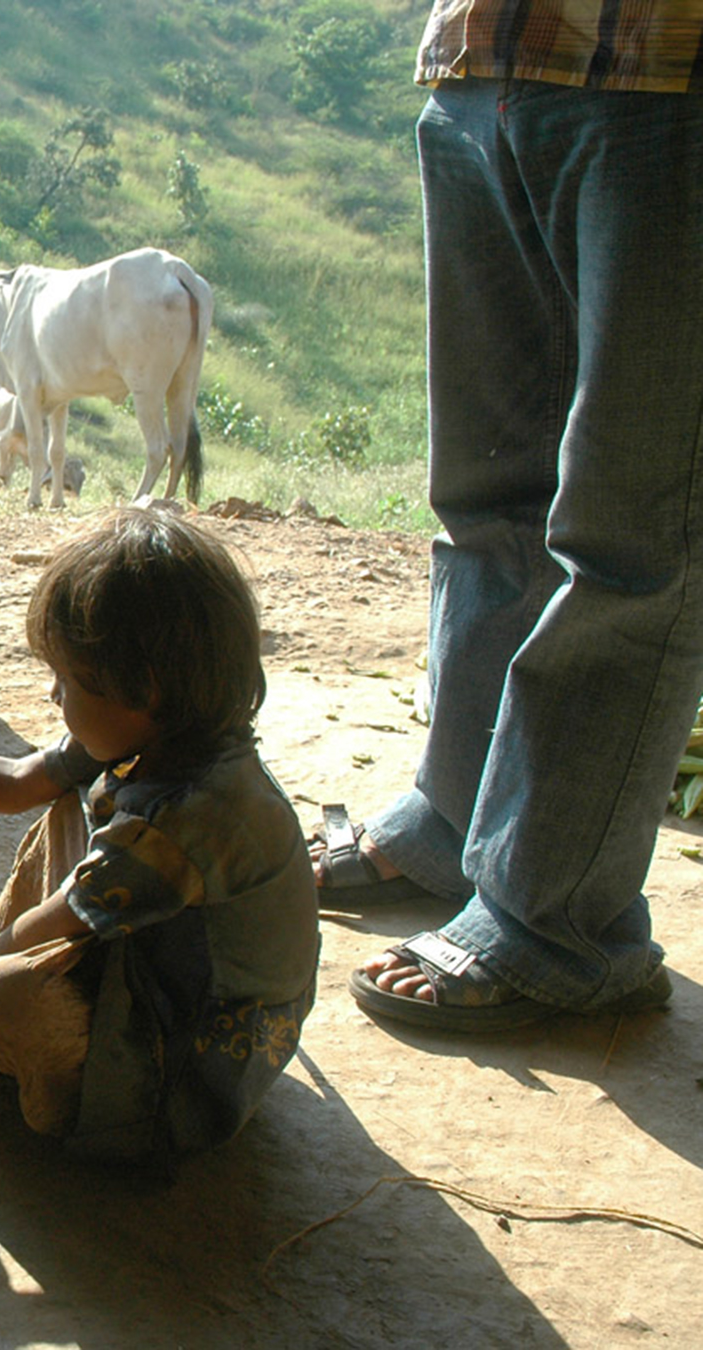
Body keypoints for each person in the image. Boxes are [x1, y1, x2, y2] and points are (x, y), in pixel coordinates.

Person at [313, 1, 693, 1032]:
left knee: (630, 530)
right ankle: (457, 814)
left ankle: (552, 921)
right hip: (487, 49)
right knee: (487, 494)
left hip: (671, 69)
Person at [0, 509, 318, 1156]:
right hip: (163, 964)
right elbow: (20, 780)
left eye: (65, 680)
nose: (50, 695)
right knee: (69, 806)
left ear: (144, 689)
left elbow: (67, 915)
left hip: (190, 1065)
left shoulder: (188, 821)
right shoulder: (160, 730)